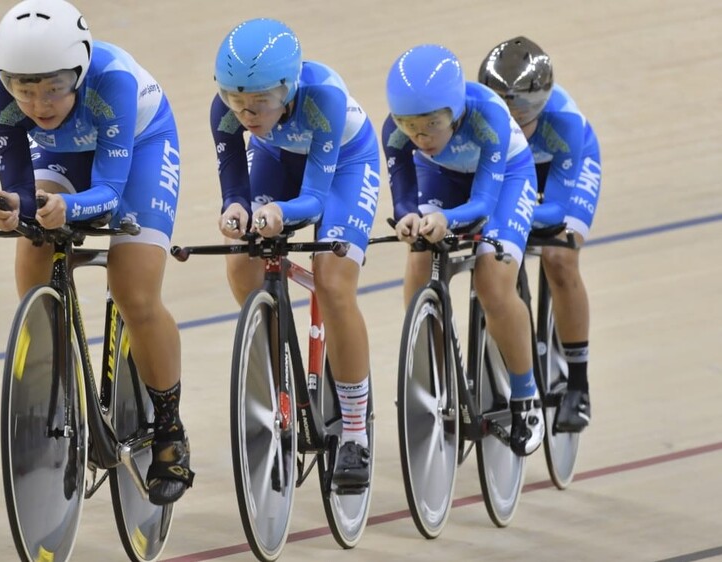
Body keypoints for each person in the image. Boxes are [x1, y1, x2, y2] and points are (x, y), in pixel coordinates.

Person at [0, 0, 192, 504]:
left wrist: (68, 206)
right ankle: (49, 385)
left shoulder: (113, 82)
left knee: (133, 289)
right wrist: (13, 207)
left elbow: (112, 193)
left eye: (55, 85)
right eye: (24, 89)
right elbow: (19, 187)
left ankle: (170, 429)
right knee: (34, 249)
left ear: (79, 69)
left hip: (138, 148)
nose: (38, 102)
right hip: (62, 152)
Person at [210, 18, 382, 488]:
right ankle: (276, 384)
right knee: (242, 257)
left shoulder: (323, 98)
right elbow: (234, 186)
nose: (246, 113)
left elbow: (316, 199)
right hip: (278, 158)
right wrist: (236, 212)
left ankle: (353, 432)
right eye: (235, 101)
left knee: (333, 281)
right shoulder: (227, 109)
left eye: (260, 102)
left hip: (343, 166)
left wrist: (278, 213)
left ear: (288, 89)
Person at [382, 44, 544, 456]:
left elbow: (484, 206)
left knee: (493, 281)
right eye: (409, 126)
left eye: (432, 125)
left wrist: (447, 221)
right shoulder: (398, 133)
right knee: (420, 256)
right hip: (442, 176)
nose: (420, 136)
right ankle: (433, 375)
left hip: (505, 180)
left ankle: (526, 397)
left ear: (454, 112)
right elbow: (402, 196)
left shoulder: (487, 118)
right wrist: (408, 218)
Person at [478, 36, 600, 432]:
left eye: (524, 106)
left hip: (562, 175)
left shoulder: (565, 122)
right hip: (515, 173)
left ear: (542, 101)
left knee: (559, 257)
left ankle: (578, 385)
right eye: (503, 103)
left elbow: (555, 210)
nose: (513, 116)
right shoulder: (479, 119)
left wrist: (511, 213)